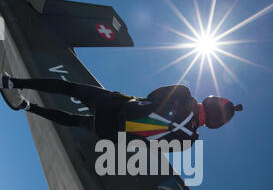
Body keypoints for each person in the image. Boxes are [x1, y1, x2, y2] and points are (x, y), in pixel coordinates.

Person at [0, 73, 243, 145]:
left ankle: (13, 83)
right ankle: (27, 106)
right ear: (213, 123)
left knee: (69, 88)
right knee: (75, 121)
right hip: (113, 132)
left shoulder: (185, 94)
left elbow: (153, 96)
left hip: (115, 107)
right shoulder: (189, 141)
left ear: (211, 102)